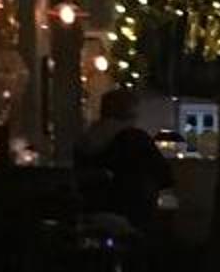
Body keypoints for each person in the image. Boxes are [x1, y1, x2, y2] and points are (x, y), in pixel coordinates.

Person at [74, 87, 173, 232]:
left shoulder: (86, 138)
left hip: (90, 211)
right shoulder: (135, 139)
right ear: (130, 112)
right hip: (131, 215)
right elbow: (164, 175)